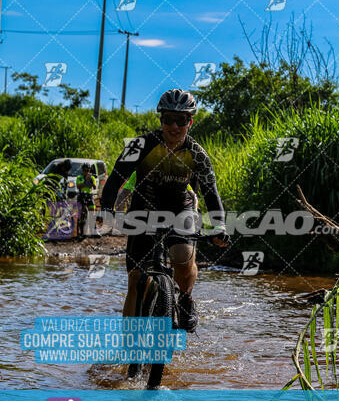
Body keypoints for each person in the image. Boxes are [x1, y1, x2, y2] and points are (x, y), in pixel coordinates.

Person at [101, 88, 229, 332]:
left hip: (180, 207)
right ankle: (130, 343)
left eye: (181, 120)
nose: (174, 126)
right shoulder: (139, 146)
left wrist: (220, 226)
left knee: (182, 257)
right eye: (168, 119)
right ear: (160, 120)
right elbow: (115, 179)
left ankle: (186, 298)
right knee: (136, 281)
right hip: (144, 208)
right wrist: (106, 209)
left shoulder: (197, 154)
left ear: (189, 122)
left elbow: (211, 193)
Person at [76, 163, 97, 238]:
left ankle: (94, 230)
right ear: (82, 170)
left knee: (92, 210)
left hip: (89, 195)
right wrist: (85, 181)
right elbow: (78, 186)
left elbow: (94, 187)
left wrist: (90, 180)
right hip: (81, 195)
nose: (86, 172)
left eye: (88, 170)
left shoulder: (92, 177)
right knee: (83, 211)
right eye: (85, 170)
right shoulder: (79, 177)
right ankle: (81, 229)